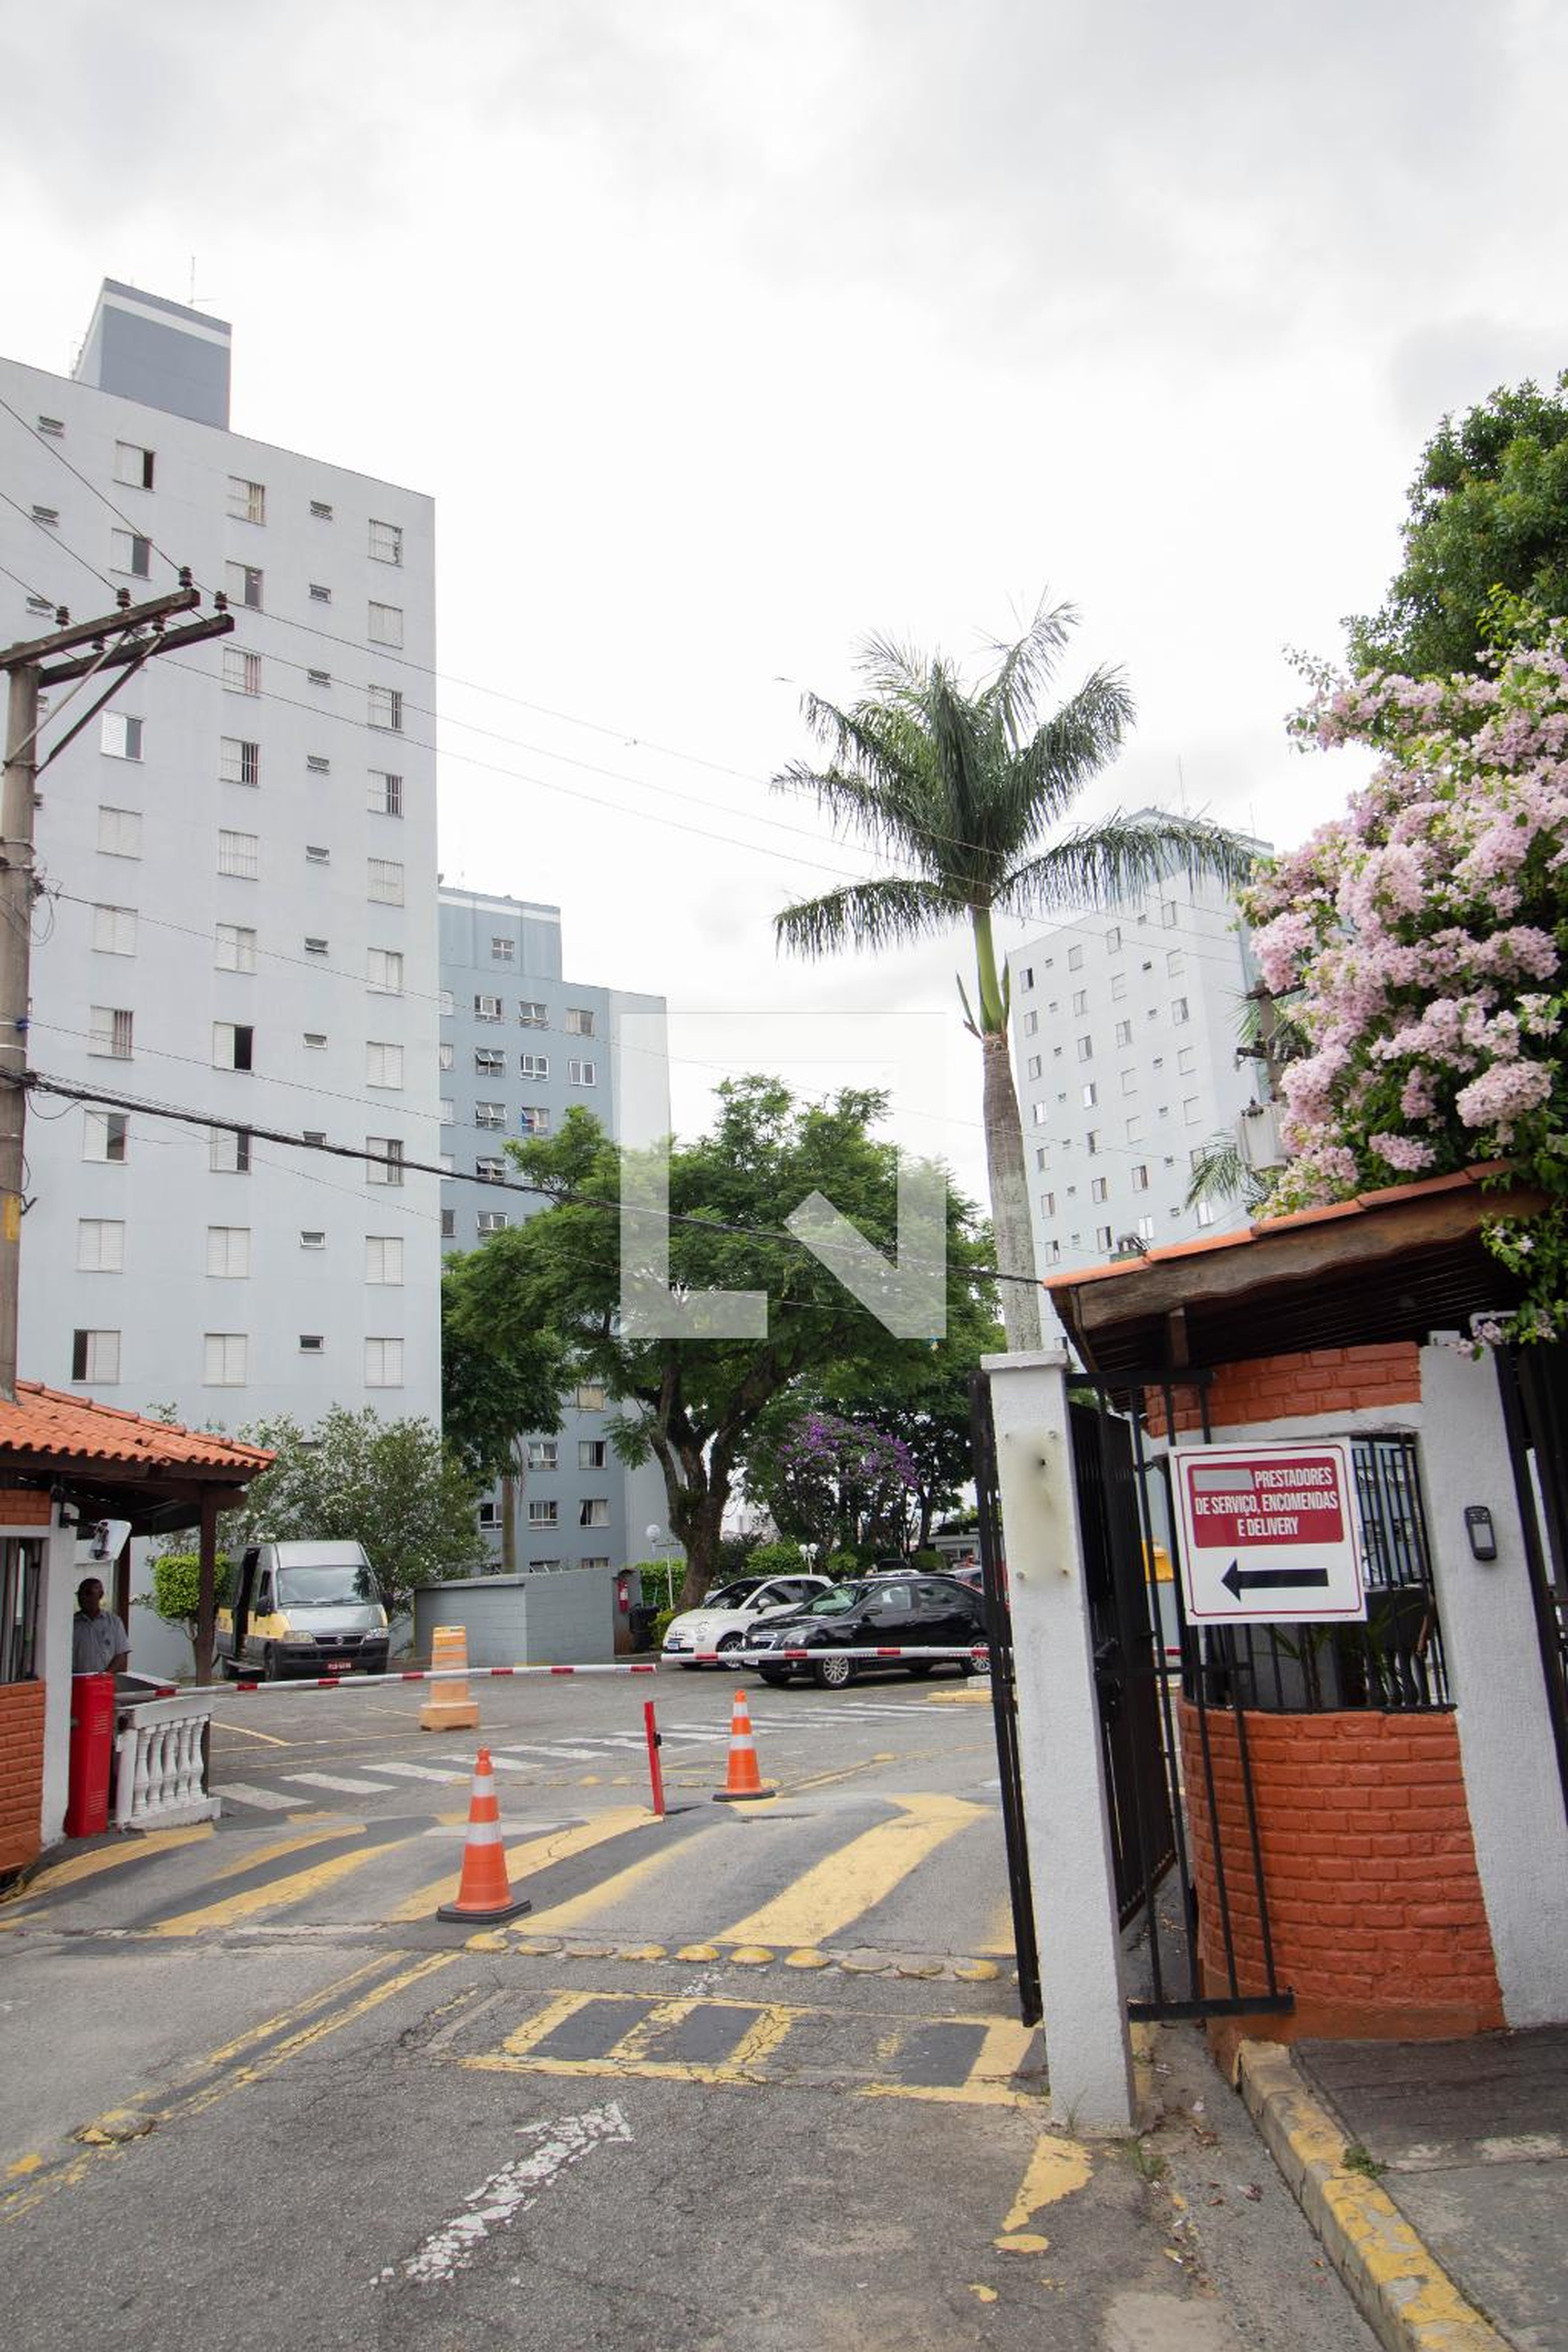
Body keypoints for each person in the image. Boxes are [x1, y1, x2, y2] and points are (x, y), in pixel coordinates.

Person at [73, 1577, 130, 1677]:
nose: (83, 1598)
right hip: (76, 1682)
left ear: (101, 1595)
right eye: (80, 1594)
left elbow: (121, 1654)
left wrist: (105, 1675)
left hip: (104, 1682)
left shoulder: (114, 1622)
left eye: (88, 1593)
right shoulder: (72, 1623)